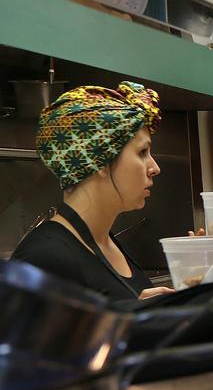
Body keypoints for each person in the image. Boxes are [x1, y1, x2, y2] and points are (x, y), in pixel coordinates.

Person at [11, 82, 174, 301]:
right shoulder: (44, 257)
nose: (154, 168)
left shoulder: (105, 240)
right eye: (142, 152)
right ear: (100, 162)